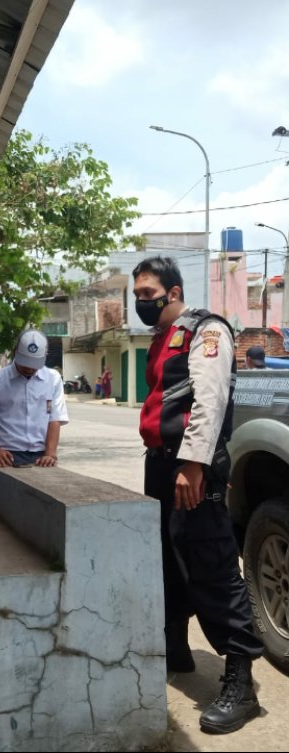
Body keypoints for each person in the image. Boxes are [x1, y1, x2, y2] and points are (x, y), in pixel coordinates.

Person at [133, 255, 263, 735]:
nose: (141, 301)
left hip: (192, 466)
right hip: (161, 464)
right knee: (166, 560)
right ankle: (176, 648)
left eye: (148, 293)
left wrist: (193, 464)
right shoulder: (161, 340)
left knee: (212, 565)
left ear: (173, 291)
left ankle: (241, 683)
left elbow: (210, 400)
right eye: (137, 294)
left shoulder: (206, 330)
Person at [0, 328, 68, 467]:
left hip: (41, 457)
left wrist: (50, 454)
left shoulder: (53, 379)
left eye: (34, 364)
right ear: (14, 352)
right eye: (25, 362)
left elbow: (54, 419)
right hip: (6, 456)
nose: (29, 368)